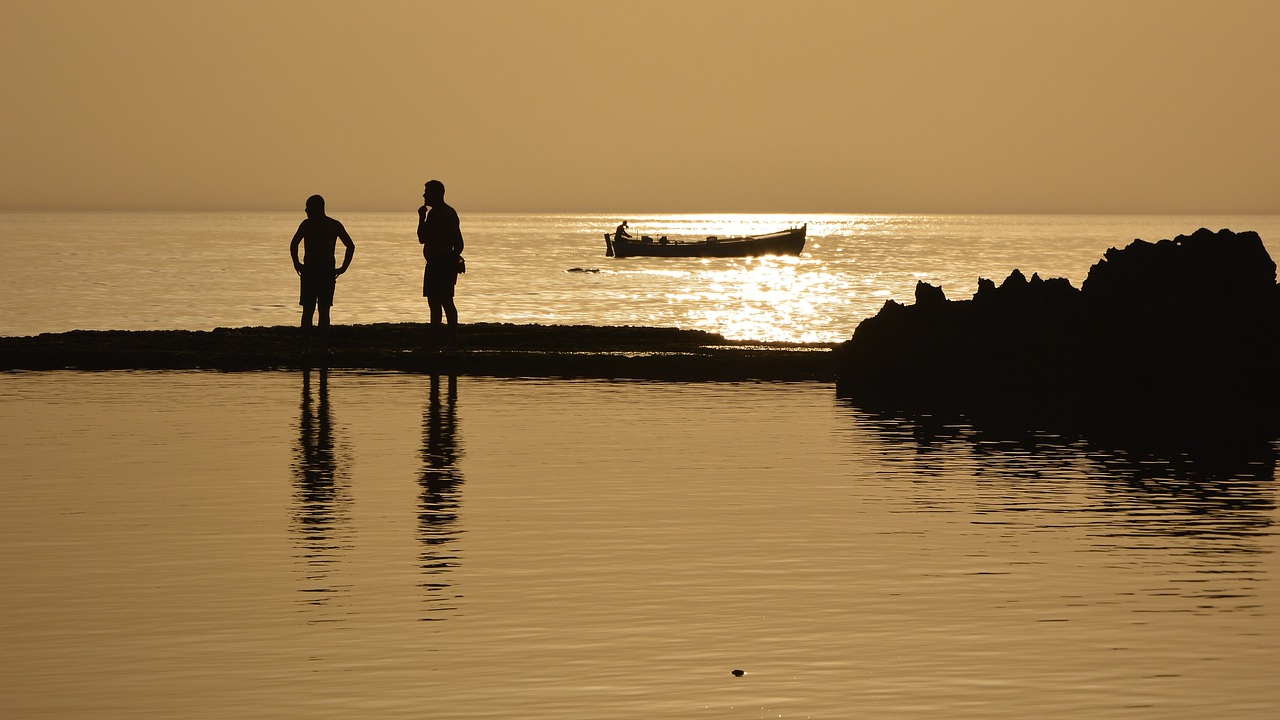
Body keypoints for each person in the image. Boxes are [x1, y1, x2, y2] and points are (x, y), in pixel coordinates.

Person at [289, 195, 355, 343]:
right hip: (319, 272)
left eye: (308, 206)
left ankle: (314, 347)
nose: (305, 210)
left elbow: (294, 244)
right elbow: (350, 246)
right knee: (319, 310)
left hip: (317, 272)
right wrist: (297, 263)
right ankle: (315, 347)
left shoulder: (309, 225)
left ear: (316, 207)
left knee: (313, 310)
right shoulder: (331, 224)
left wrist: (344, 267)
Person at [419, 180, 465, 347]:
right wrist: (454, 258)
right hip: (445, 263)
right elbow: (459, 243)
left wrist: (421, 218)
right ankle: (450, 341)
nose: (424, 195)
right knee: (446, 302)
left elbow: (422, 237)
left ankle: (437, 342)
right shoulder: (451, 212)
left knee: (437, 303)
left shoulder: (436, 214)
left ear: (437, 194)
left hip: (438, 264)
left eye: (427, 192)